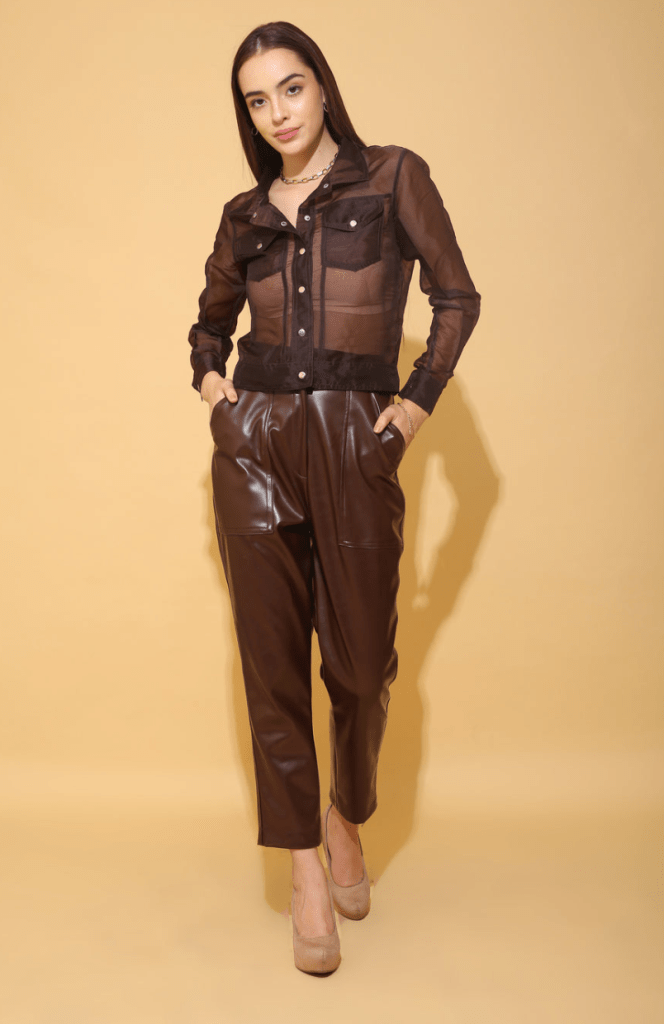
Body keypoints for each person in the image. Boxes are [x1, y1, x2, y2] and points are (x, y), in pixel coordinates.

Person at [187, 20, 481, 975]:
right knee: (272, 670)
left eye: (291, 87)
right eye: (257, 99)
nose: (277, 112)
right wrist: (219, 398)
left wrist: (410, 409)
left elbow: (457, 298)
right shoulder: (244, 213)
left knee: (359, 668)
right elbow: (208, 329)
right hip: (257, 447)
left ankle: (346, 815)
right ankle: (306, 870)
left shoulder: (392, 177)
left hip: (357, 441)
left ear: (322, 86)